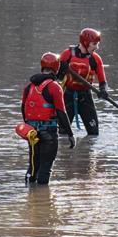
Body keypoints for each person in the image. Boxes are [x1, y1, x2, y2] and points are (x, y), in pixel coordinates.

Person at [21, 52, 75, 184]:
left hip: (32, 133)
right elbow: (61, 112)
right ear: (56, 68)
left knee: (33, 166)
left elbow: (23, 108)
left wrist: (28, 127)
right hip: (49, 133)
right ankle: (41, 200)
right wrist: (70, 134)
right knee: (45, 169)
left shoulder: (29, 86)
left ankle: (29, 192)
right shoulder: (54, 87)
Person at [57, 28, 108, 135]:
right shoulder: (67, 55)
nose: (97, 47)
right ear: (85, 43)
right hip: (68, 96)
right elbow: (57, 78)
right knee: (62, 134)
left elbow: (102, 81)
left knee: (94, 134)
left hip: (86, 97)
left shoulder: (95, 59)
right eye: (94, 44)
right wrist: (62, 69)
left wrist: (103, 90)